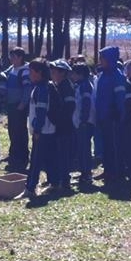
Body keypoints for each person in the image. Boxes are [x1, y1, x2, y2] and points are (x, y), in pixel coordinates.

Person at [21, 58, 57, 199]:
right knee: (49, 158)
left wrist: (37, 129)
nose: (29, 74)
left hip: (43, 131)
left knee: (35, 160)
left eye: (31, 71)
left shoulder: (42, 89)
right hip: (48, 130)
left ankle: (30, 188)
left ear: (39, 72)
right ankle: (54, 182)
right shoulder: (43, 87)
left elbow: (41, 112)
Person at [93, 46, 127, 183]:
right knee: (106, 145)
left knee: (114, 145)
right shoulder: (103, 75)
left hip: (113, 117)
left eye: (102, 58)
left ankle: (116, 172)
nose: (100, 60)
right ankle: (107, 170)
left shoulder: (117, 76)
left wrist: (119, 114)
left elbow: (120, 97)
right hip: (102, 116)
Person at [49, 59, 77, 194]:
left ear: (62, 73)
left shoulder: (66, 87)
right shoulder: (58, 85)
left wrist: (59, 120)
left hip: (64, 127)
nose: (52, 73)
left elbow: (69, 107)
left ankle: (64, 182)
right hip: (59, 126)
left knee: (63, 155)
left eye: (55, 70)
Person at [4, 48, 32, 172]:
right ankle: (13, 154)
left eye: (14, 56)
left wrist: (23, 103)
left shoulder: (25, 71)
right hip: (11, 105)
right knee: (12, 130)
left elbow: (27, 88)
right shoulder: (11, 69)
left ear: (20, 57)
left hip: (19, 105)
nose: (11, 59)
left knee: (20, 131)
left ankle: (22, 156)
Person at [71, 62, 96, 187]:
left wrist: (84, 120)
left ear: (80, 74)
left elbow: (86, 103)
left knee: (84, 149)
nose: (72, 75)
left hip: (84, 123)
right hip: (80, 122)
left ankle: (87, 174)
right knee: (81, 149)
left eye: (74, 73)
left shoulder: (85, 86)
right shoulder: (79, 85)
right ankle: (83, 172)